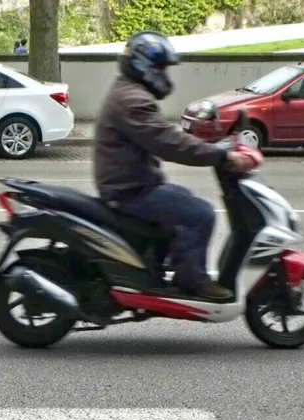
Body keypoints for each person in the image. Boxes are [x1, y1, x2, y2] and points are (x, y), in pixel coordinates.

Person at [93, 31, 257, 302]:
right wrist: (220, 156)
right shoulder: (133, 101)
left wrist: (212, 145)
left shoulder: (129, 92)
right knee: (201, 214)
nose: (164, 75)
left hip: (134, 183)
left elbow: (166, 136)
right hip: (130, 191)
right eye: (161, 68)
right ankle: (193, 282)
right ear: (144, 66)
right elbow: (169, 141)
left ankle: (167, 266)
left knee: (185, 199)